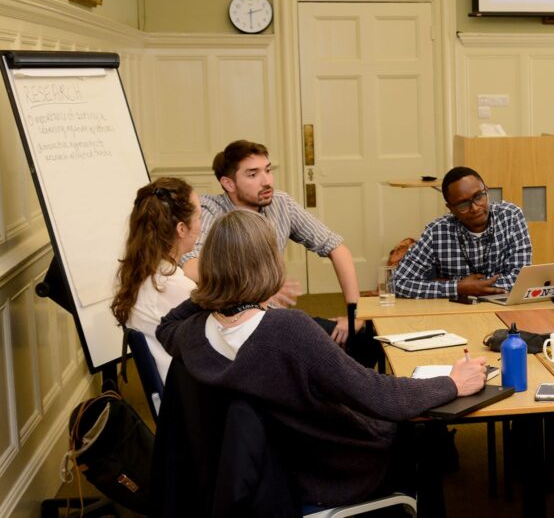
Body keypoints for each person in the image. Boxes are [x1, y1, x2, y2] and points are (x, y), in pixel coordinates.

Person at [158, 210, 488, 508]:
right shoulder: (286, 331)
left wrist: (214, 289)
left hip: (269, 471)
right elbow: (379, 396)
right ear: (270, 262)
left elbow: (166, 326)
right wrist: (452, 383)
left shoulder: (193, 335)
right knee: (422, 433)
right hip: (330, 471)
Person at [180, 140, 362, 345]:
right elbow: (190, 268)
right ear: (228, 184)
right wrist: (258, 286)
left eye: (268, 170)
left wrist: (353, 313)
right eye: (253, 174)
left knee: (362, 338)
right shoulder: (210, 211)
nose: (266, 181)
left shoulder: (281, 203)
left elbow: (336, 248)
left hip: (271, 317)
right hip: (230, 324)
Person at [110, 177, 201, 384]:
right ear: (181, 229)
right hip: (184, 398)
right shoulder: (173, 285)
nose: (200, 225)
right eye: (198, 218)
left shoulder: (141, 272)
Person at [392, 167, 533, 299]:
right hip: (454, 312)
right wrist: (457, 287)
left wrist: (465, 286)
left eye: (479, 197)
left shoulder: (511, 216)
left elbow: (520, 280)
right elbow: (398, 283)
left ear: (487, 191)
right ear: (450, 208)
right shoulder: (436, 232)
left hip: (503, 308)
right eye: (463, 204)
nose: (475, 208)